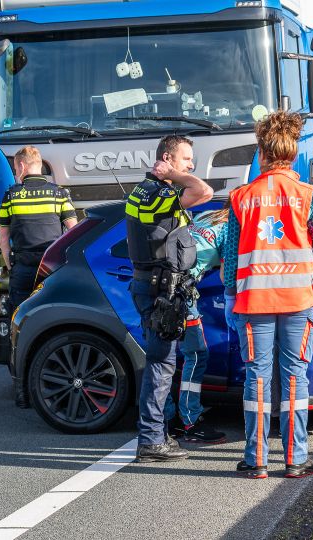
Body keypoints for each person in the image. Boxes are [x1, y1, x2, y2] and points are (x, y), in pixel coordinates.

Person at [223, 111, 313, 479]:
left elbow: (230, 256)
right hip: (297, 301)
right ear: (291, 154)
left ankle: (256, 461)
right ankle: (294, 459)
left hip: (254, 302)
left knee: (256, 377)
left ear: (262, 152)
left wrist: (229, 293)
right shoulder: (307, 196)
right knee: (294, 378)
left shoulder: (241, 197)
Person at [126, 135, 213, 463]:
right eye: (186, 159)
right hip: (159, 291)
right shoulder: (159, 194)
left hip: (152, 286)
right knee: (162, 365)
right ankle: (151, 439)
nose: (191, 165)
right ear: (167, 158)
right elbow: (203, 191)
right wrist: (172, 176)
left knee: (160, 362)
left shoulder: (142, 190)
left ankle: (156, 433)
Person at [168, 208, 231, 444]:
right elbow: (227, 277)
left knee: (164, 358)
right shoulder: (230, 229)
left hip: (162, 288)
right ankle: (189, 420)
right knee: (196, 355)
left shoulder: (207, 216)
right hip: (181, 294)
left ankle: (166, 420)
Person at [0, 145, 78, 311]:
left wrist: (11, 267)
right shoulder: (59, 193)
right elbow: (75, 233)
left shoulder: (11, 196)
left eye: (15, 169)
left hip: (23, 268)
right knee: (54, 314)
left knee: (20, 317)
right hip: (51, 268)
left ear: (22, 166)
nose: (15, 174)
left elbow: (3, 238)